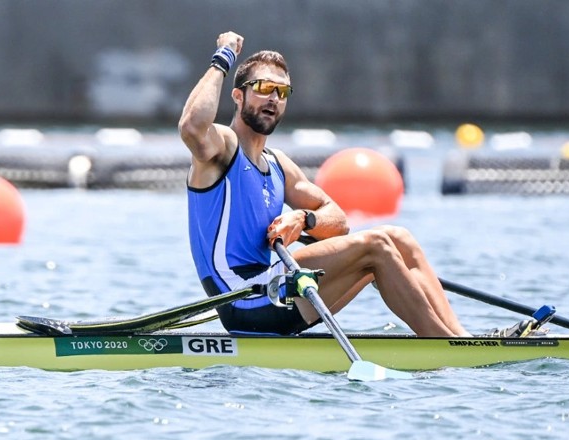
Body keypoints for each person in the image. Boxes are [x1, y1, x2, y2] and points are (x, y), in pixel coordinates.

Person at [178, 31, 472, 337]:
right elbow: (191, 127)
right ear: (238, 96)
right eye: (264, 88)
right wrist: (224, 55)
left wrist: (304, 218)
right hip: (243, 299)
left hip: (275, 289)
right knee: (377, 245)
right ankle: (445, 345)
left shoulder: (278, 165)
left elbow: (339, 221)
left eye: (282, 92)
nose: (274, 98)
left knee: (399, 237)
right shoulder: (223, 148)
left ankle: (462, 339)